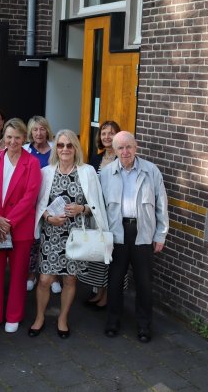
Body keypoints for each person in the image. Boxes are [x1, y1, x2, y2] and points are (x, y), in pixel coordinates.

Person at [30, 129, 109, 339]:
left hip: (76, 235)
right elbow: (38, 204)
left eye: (69, 145)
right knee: (45, 279)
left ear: (76, 148)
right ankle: (39, 317)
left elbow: (96, 205)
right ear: (55, 148)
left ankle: (63, 318)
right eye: (60, 145)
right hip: (52, 233)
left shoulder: (87, 171)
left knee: (70, 280)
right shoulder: (46, 171)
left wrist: (81, 209)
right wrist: (48, 217)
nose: (65, 149)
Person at [100, 131, 169, 343]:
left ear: (136, 146)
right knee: (114, 282)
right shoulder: (106, 173)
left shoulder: (151, 171)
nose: (125, 151)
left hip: (143, 234)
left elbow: (161, 206)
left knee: (144, 284)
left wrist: (161, 235)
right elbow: (100, 207)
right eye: (120, 148)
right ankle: (113, 322)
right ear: (114, 150)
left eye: (128, 146)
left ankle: (144, 326)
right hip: (116, 234)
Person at [0, 118, 42, 334]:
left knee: (18, 274)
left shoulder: (31, 162)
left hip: (19, 228)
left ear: (24, 138)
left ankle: (13, 315)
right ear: (4, 137)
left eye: (17, 137)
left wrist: (9, 222)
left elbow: (30, 197)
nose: (13, 141)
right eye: (9, 137)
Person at [82, 120, 121, 309]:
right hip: (96, 214)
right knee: (97, 252)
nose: (107, 136)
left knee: (109, 254)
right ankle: (98, 290)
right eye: (104, 133)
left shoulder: (121, 159)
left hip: (114, 216)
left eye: (111, 133)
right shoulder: (96, 158)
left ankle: (106, 294)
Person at [21, 116, 56, 294]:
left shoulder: (55, 149)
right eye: (35, 129)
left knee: (51, 239)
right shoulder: (25, 150)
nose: (39, 133)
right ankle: (31, 275)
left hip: (52, 202)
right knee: (33, 242)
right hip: (32, 203)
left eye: (42, 129)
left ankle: (52, 276)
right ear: (30, 132)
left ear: (47, 130)